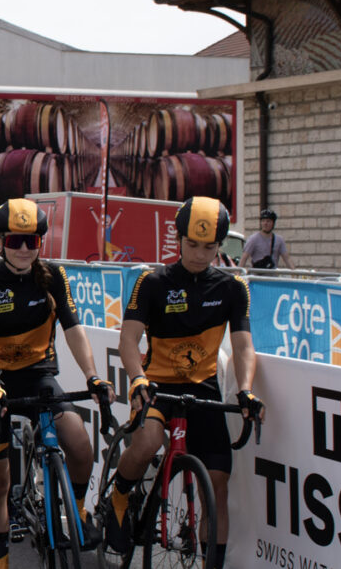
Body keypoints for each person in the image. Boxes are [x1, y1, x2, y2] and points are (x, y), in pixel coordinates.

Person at [103, 196, 264, 568]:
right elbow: (128, 340)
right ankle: (120, 497)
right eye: (192, 245)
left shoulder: (232, 287)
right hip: (157, 385)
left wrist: (246, 389)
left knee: (217, 486)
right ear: (178, 240)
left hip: (202, 388)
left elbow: (243, 346)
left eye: (209, 247)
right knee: (147, 442)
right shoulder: (152, 282)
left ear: (219, 245)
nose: (200, 255)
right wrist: (137, 379)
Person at [0, 199, 109, 567]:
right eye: (16, 240)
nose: (25, 248)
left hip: (36, 375)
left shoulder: (52, 276)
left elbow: (73, 329)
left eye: (33, 241)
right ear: (0, 241)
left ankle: (77, 514)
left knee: (80, 446)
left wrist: (92, 375)